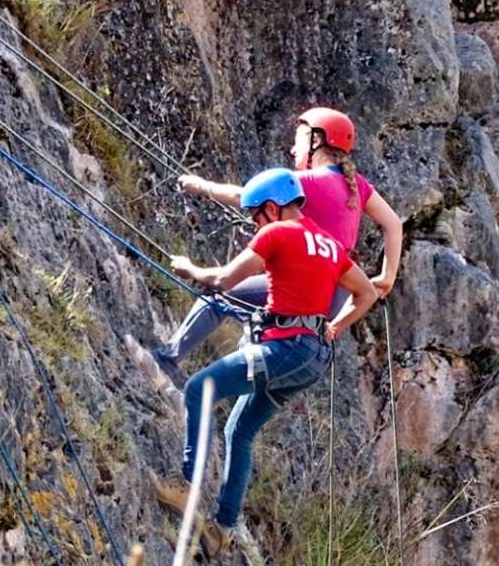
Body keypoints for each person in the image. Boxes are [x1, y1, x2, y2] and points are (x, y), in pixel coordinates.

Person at [153, 167, 379, 557]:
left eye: (256, 214)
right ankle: (222, 530)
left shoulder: (276, 232)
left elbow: (223, 280)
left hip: (285, 348)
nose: (254, 223)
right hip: (311, 357)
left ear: (272, 208)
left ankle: (186, 485)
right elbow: (367, 294)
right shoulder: (328, 244)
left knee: (199, 388)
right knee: (239, 431)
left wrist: (189, 268)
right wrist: (336, 327)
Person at [151, 108, 402, 387]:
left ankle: (166, 360)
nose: (293, 149)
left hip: (304, 284)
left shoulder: (307, 182)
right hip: (335, 297)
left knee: (220, 293)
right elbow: (393, 223)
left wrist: (202, 186)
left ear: (316, 141)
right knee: (259, 328)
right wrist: (387, 276)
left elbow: (244, 195)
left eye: (299, 140)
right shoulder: (358, 187)